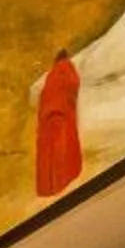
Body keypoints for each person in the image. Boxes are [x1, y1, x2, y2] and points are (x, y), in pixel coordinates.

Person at [36, 47, 84, 198]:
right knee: (63, 151)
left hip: (52, 118)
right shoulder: (66, 69)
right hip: (61, 116)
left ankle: (50, 188)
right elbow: (72, 85)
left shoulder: (55, 73)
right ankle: (61, 183)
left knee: (51, 155)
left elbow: (48, 95)